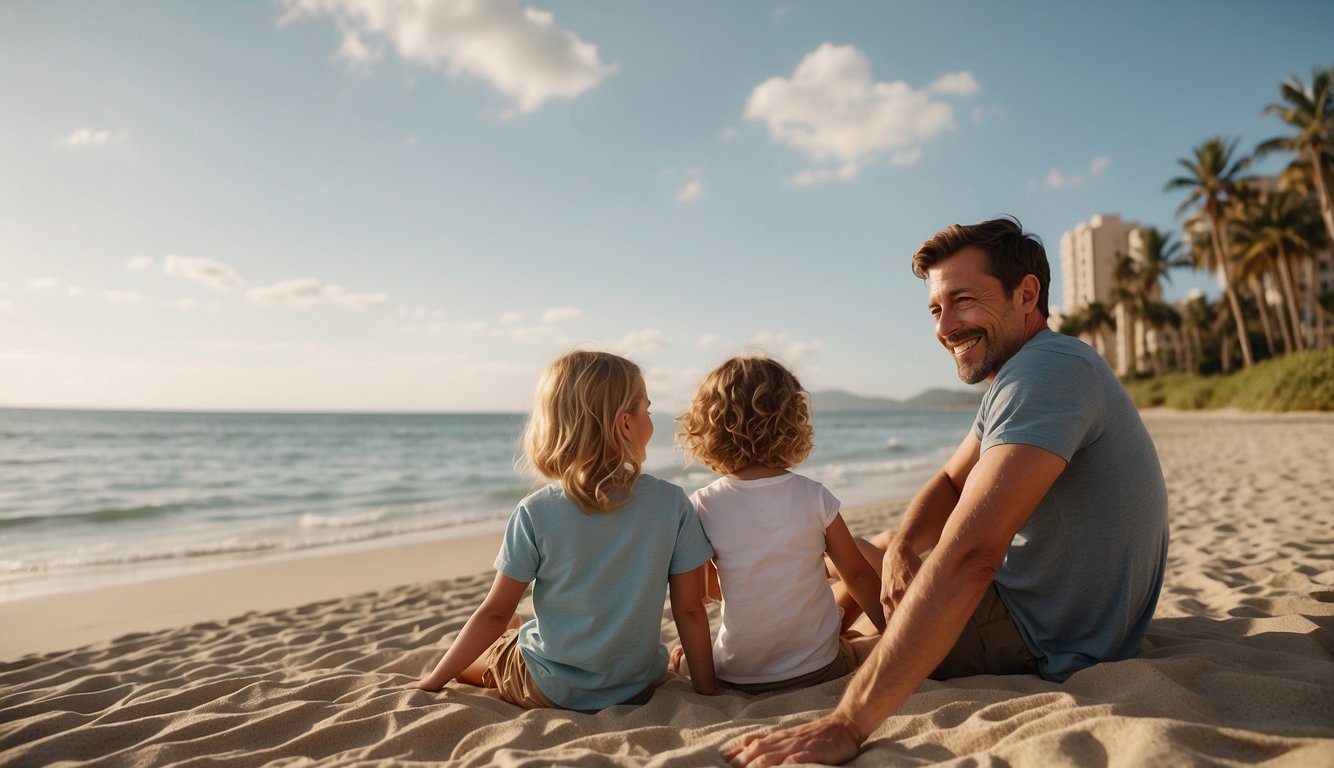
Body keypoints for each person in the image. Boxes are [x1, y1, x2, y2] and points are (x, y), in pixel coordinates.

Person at [728, 216, 1169, 766]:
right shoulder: (1025, 372)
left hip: (1041, 634)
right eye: (937, 309)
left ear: (1026, 294)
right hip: (1059, 614)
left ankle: (780, 644)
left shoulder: (1046, 373)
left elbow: (971, 558)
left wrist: (846, 723)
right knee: (887, 547)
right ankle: (809, 628)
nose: (946, 326)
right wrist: (906, 550)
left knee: (849, 560)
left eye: (963, 300)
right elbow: (948, 481)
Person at [406, 349, 721, 711]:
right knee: (511, 628)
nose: (651, 420)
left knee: (502, 636)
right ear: (625, 424)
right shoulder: (672, 503)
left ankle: (500, 652)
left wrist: (433, 681)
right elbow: (691, 610)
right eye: (646, 411)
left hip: (552, 689)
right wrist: (707, 688)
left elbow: (491, 614)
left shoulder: (536, 512)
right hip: (635, 684)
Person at [673, 356, 886, 694]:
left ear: (708, 427)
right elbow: (858, 575)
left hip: (739, 675)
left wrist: (707, 689)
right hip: (822, 670)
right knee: (855, 635)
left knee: (680, 657)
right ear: (791, 421)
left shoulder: (703, 505)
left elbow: (705, 595)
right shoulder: (814, 496)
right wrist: (891, 637)